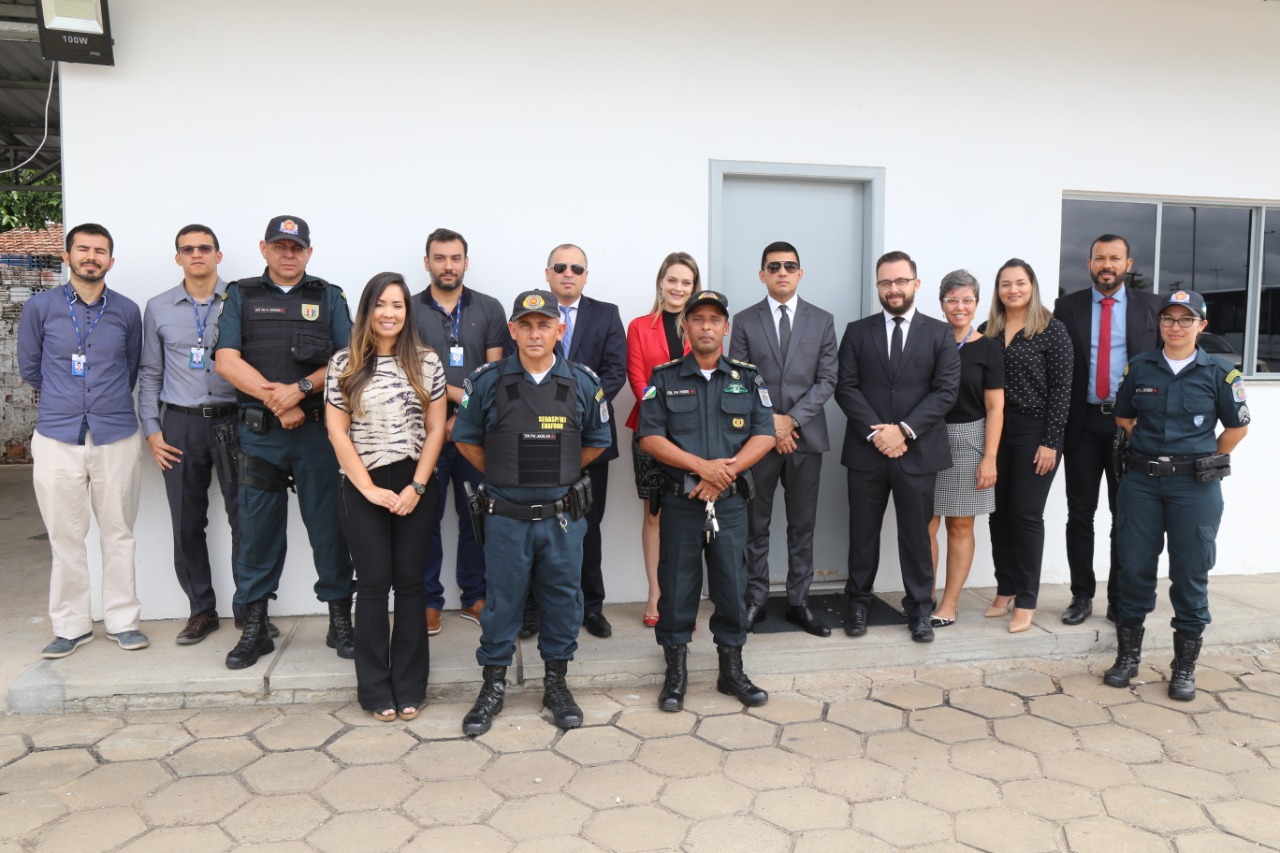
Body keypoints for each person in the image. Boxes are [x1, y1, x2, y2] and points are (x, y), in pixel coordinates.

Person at [453, 290, 612, 735]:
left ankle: (556, 685)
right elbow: (465, 438)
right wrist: (509, 473)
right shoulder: (487, 381)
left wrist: (558, 471)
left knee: (563, 600)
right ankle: (493, 686)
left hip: (562, 518)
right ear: (513, 331)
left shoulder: (582, 381)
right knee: (501, 603)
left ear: (560, 330)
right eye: (527, 324)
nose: (536, 333)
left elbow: (598, 440)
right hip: (506, 517)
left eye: (545, 325)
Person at [213, 215, 355, 669]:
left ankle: (340, 622)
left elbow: (347, 360)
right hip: (260, 436)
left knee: (330, 530)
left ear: (308, 252)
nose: (288, 253)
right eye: (279, 245)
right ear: (264, 248)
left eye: (296, 247)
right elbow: (227, 361)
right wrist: (280, 401)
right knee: (256, 533)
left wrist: (303, 391)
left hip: (317, 434)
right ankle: (255, 629)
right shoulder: (241, 294)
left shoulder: (328, 296)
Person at [1103, 290, 1249, 701]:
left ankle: (1183, 667)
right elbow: (1124, 416)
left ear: (1202, 326)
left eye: (1186, 320)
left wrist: (1203, 461)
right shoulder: (1140, 368)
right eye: (1169, 319)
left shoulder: (1220, 374)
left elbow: (1236, 428)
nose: (1176, 327)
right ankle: (1128, 658)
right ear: (1160, 325)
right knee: (1133, 567)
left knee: (1190, 572)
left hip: (1196, 488)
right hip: (1143, 483)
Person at [638, 290, 776, 711]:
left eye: (715, 319)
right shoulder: (665, 378)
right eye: (698, 319)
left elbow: (765, 434)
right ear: (686, 327)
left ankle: (730, 671)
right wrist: (702, 467)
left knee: (732, 587)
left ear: (726, 327)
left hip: (730, 501)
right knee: (678, 587)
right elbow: (650, 438)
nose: (706, 326)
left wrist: (723, 474)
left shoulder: (747, 377)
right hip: (681, 500)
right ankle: (675, 674)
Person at [18, 222, 149, 658]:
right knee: (66, 535)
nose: (91, 257)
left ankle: (123, 621)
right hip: (57, 435)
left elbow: (130, 368)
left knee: (118, 532)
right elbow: (31, 368)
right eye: (83, 249)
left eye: (100, 251)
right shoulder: (40, 307)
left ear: (111, 260)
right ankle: (71, 626)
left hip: (115, 435)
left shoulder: (128, 311)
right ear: (67, 256)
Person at [326, 272, 447, 721]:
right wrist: (370, 489)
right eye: (381, 304)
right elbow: (338, 433)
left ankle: (411, 685)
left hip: (416, 483)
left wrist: (416, 486)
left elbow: (436, 428)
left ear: (407, 312)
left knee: (411, 584)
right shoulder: (344, 364)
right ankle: (375, 689)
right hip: (363, 484)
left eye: (397, 305)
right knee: (374, 585)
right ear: (367, 310)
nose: (389, 313)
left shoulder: (427, 362)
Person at [835, 251, 960, 644]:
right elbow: (846, 387)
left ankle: (920, 610)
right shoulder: (857, 331)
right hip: (867, 451)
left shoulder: (939, 333)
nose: (893, 289)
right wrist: (878, 434)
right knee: (862, 533)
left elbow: (946, 391)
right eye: (886, 282)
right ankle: (857, 604)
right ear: (878, 287)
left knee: (917, 536)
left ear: (916, 284)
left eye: (901, 281)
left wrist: (903, 431)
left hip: (917, 453)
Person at [138, 224, 244, 645]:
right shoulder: (158, 307)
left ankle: (249, 609)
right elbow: (149, 372)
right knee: (186, 522)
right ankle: (201, 610)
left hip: (233, 421)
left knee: (246, 518)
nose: (196, 254)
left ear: (218, 255)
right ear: (177, 257)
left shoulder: (239, 301)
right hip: (179, 423)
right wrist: (151, 429)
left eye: (205, 248)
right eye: (188, 249)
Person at [517, 244, 626, 640]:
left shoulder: (607, 314)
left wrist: (579, 411)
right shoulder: (529, 315)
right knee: (533, 523)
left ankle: (590, 606)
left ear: (586, 274)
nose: (568, 273)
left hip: (591, 439)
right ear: (547, 273)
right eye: (560, 267)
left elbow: (615, 372)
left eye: (576, 268)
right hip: (535, 437)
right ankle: (531, 610)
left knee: (587, 525)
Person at [729, 241, 838, 637]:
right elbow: (739, 378)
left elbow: (828, 379)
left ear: (800, 273)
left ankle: (798, 602)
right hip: (758, 441)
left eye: (789, 266)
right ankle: (755, 599)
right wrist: (770, 424)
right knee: (755, 525)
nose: (782, 272)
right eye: (774, 266)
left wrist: (789, 422)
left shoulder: (822, 320)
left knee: (802, 526)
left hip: (805, 439)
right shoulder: (743, 320)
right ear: (762, 274)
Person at [1053, 234, 1161, 625]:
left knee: (1124, 516)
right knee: (1079, 513)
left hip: (1128, 425)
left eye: (1115, 258)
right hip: (1081, 423)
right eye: (1099, 258)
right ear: (1089, 264)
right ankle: (1081, 596)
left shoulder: (1153, 308)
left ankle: (1119, 598)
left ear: (1128, 264)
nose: (1107, 265)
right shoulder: (1067, 307)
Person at [412, 228, 506, 636]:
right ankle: (428, 601)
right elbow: (408, 373)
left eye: (455, 258)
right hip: (421, 431)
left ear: (466, 262)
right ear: (427, 262)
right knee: (424, 517)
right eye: (439, 258)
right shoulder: (408, 309)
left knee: (476, 516)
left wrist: (460, 417)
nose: (447, 266)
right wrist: (442, 416)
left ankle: (474, 597)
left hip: (475, 432)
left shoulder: (489, 308)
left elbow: (495, 375)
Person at [982, 259, 1073, 633]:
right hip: (995, 430)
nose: (1013, 290)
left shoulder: (1053, 331)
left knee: (1025, 514)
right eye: (1006, 284)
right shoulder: (988, 330)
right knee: (998, 513)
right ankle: (1005, 588)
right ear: (998, 290)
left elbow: (1062, 391)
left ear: (1032, 286)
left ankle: (1027, 598)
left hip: (1035, 431)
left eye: (1020, 283)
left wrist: (1050, 442)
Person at [927, 270, 1005, 627]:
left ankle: (949, 602)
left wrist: (989, 458)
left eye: (967, 300)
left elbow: (995, 408)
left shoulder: (988, 347)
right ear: (941, 304)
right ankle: (922, 595)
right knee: (924, 525)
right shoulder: (928, 339)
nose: (960, 307)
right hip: (926, 437)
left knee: (960, 526)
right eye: (952, 300)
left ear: (977, 304)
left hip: (968, 439)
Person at [625, 252, 697, 627]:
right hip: (652, 432)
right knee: (654, 515)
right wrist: (666, 418)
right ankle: (655, 592)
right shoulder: (639, 326)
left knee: (686, 518)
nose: (678, 288)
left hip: (694, 436)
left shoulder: (701, 326)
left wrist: (686, 422)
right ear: (661, 282)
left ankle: (682, 596)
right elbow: (639, 381)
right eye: (672, 280)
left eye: (686, 282)